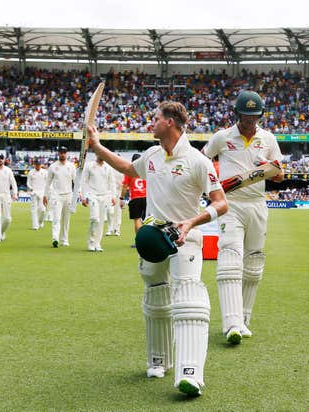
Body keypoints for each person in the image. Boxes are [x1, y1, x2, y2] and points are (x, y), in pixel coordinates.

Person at [87, 101, 228, 397]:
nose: (151, 122)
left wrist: (191, 223)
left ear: (171, 123)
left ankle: (190, 373)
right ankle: (158, 360)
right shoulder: (152, 154)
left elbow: (221, 203)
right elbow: (128, 168)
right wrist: (97, 147)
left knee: (189, 300)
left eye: (155, 118)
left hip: (183, 237)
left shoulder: (197, 160)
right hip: (153, 236)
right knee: (155, 297)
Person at [202, 90, 284, 344]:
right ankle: (231, 324)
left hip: (258, 205)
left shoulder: (268, 139)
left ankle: (244, 320)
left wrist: (266, 169)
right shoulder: (222, 137)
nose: (251, 122)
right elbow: (202, 161)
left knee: (253, 266)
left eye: (255, 116)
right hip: (231, 204)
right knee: (230, 258)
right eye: (246, 116)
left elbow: (280, 175)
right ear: (237, 114)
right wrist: (212, 185)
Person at [80, 155, 114, 252]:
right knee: (95, 219)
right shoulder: (89, 165)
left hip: (104, 196)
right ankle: (91, 242)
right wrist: (82, 196)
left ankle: (97, 243)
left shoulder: (108, 167)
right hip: (92, 195)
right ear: (96, 154)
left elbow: (111, 183)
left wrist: (113, 196)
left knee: (101, 221)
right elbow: (83, 181)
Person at [43, 147, 75, 247]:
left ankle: (64, 239)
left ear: (67, 154)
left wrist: (80, 194)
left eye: (64, 153)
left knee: (66, 219)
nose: (63, 155)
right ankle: (55, 238)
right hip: (56, 195)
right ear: (58, 154)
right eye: (61, 153)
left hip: (68, 195)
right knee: (56, 218)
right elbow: (48, 183)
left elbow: (76, 182)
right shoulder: (53, 166)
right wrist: (45, 195)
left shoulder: (71, 166)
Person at [120, 153, 147, 247]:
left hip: (135, 197)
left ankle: (139, 242)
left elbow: (125, 186)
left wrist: (121, 198)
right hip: (146, 197)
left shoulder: (129, 171)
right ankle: (148, 241)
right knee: (147, 220)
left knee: (137, 220)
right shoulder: (145, 170)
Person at [27, 158, 48, 230]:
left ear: (41, 165)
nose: (38, 166)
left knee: (43, 210)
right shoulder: (31, 172)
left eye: (39, 165)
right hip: (34, 192)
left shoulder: (45, 172)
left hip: (42, 192)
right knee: (34, 209)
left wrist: (48, 191)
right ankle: (35, 226)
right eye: (36, 165)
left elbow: (48, 183)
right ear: (34, 165)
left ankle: (40, 222)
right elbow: (28, 183)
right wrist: (31, 188)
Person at [105, 165, 124, 236]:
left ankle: (117, 229)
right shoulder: (109, 170)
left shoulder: (121, 171)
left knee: (118, 211)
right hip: (110, 193)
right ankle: (110, 229)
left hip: (118, 193)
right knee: (110, 211)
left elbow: (124, 184)